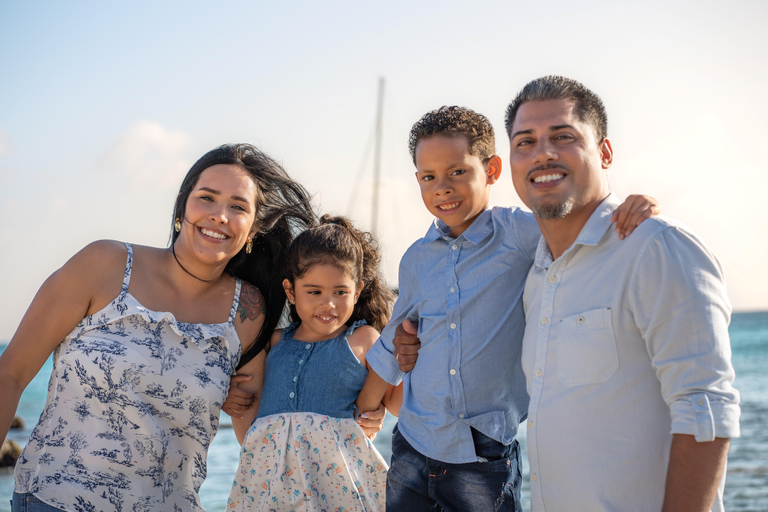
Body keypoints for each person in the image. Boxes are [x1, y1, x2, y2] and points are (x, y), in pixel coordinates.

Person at [363, 106, 659, 512]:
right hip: (413, 441)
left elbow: (584, 227)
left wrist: (637, 205)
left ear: (492, 169)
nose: (442, 188)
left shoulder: (520, 233)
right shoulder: (416, 258)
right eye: (429, 177)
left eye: (457, 172)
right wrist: (364, 411)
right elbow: (392, 341)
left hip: (483, 450)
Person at [0, 143, 317, 511]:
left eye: (238, 207)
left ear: (254, 228)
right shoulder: (103, 265)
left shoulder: (247, 310)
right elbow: (10, 375)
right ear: (183, 206)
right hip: (52, 501)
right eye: (207, 198)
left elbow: (255, 429)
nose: (219, 215)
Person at [505, 75, 740, 511]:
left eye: (563, 136)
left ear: (605, 152)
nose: (543, 153)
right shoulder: (535, 275)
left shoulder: (655, 249)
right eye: (526, 142)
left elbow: (706, 408)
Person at [226, 215, 399, 512]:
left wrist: (409, 356)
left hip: (340, 491)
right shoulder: (273, 343)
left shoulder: (363, 340)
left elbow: (399, 403)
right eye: (314, 291)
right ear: (291, 291)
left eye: (340, 292)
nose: (328, 303)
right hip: (268, 487)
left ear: (357, 291)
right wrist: (225, 393)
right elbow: (241, 392)